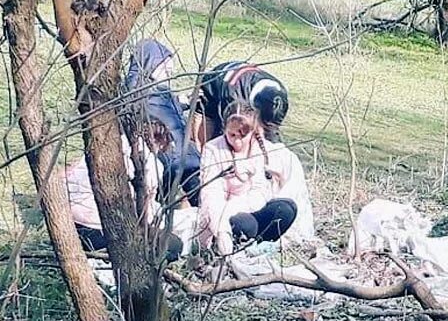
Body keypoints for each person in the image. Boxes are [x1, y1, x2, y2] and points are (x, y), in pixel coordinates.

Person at [65, 121, 183, 262]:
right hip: (102, 231)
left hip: (72, 226)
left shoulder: (106, 145)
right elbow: (145, 214)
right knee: (174, 245)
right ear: (160, 141)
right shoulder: (150, 163)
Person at [199, 109, 298, 256]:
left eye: (242, 136)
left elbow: (260, 192)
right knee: (245, 224)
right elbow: (210, 194)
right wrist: (221, 227)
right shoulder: (212, 149)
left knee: (286, 209)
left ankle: (258, 244)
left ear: (252, 132)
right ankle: (233, 244)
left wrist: (240, 206)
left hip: (252, 207)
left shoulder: (261, 150)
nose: (237, 141)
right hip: (223, 217)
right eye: (232, 135)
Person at [125, 39, 201, 207]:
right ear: (149, 63)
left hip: (177, 155)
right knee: (189, 187)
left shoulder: (155, 90)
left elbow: (164, 110)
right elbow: (157, 116)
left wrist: (182, 102)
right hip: (166, 158)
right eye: (164, 64)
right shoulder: (138, 95)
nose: (170, 68)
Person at [193, 60, 289, 148]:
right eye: (263, 123)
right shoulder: (234, 98)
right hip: (213, 87)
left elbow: (272, 131)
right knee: (205, 143)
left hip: (245, 84)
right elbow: (230, 134)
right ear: (255, 111)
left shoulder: (281, 99)